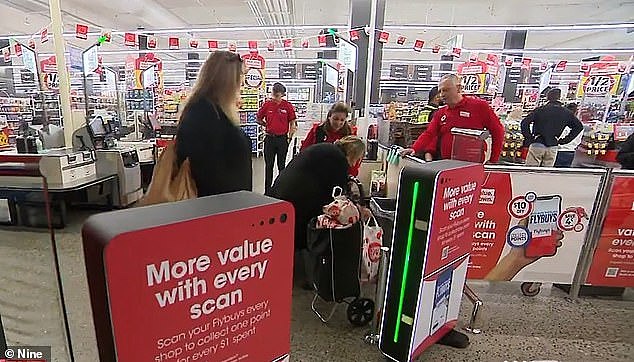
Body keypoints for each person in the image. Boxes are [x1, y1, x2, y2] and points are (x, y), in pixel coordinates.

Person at [269, 136, 365, 289]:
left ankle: (287, 267)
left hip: (281, 192)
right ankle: (310, 275)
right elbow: (337, 195)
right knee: (312, 229)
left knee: (289, 233)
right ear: (355, 154)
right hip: (297, 199)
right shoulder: (339, 159)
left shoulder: (327, 149)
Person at [176, 51, 252, 197]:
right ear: (227, 80)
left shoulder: (210, 109)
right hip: (215, 208)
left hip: (221, 205)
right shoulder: (203, 113)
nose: (242, 82)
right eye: (240, 76)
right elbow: (205, 171)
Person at [400, 74, 505, 164]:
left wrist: (493, 160)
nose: (442, 95)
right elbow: (429, 133)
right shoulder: (441, 113)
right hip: (446, 165)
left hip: (471, 166)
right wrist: (414, 148)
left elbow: (498, 131)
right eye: (440, 91)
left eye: (446, 90)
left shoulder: (479, 106)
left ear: (458, 88)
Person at [521, 88, 583, 167]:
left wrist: (529, 138)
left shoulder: (540, 110)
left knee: (531, 171)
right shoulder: (566, 112)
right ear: (559, 97)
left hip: (538, 143)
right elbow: (578, 127)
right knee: (547, 173)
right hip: (553, 145)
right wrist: (564, 140)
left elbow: (524, 123)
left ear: (548, 97)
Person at [258, 82, 297, 195]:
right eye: (273, 94)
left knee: (281, 165)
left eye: (277, 95)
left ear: (283, 95)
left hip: (282, 139)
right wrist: (267, 125)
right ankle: (267, 191)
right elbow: (259, 118)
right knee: (268, 165)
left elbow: (292, 123)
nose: (274, 97)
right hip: (270, 139)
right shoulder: (267, 105)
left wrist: (289, 138)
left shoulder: (288, 106)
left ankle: (281, 189)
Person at [300, 102, 360, 175]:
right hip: (317, 172)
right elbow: (304, 150)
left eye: (342, 120)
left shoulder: (350, 135)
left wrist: (351, 176)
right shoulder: (317, 130)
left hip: (339, 173)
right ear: (329, 117)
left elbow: (353, 159)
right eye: (335, 119)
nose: (338, 123)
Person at [554, 103, 584, 168]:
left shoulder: (561, 123)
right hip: (571, 152)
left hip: (558, 151)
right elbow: (578, 141)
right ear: (576, 112)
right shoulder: (579, 125)